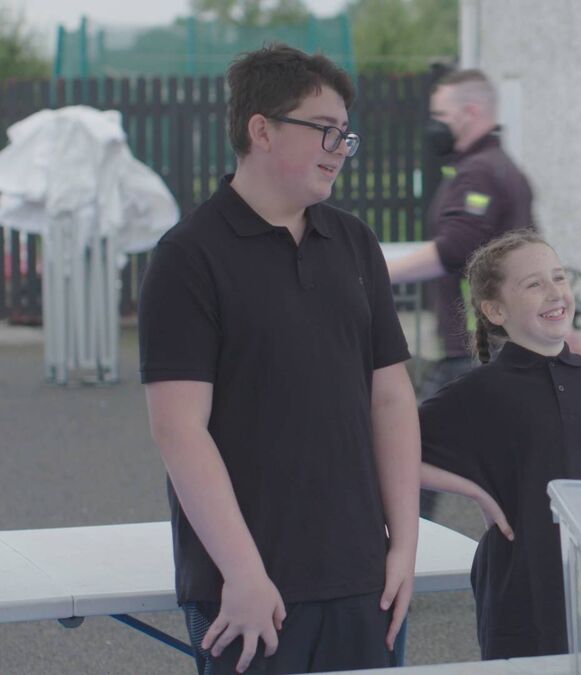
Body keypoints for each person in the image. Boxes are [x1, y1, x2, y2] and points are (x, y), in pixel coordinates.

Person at [138, 44, 420, 674]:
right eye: (324, 129)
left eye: (345, 134)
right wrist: (243, 573)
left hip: (362, 576)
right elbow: (178, 428)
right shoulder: (188, 257)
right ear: (261, 130)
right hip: (247, 587)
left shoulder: (354, 242)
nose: (339, 149)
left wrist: (404, 544)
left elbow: (391, 398)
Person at [417, 229, 581, 659]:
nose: (554, 292)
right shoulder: (479, 391)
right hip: (521, 584)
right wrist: (478, 493)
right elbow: (393, 451)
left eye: (559, 277)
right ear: (495, 310)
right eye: (533, 284)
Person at [387, 68, 535, 520]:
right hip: (486, 345)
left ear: (470, 112)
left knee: (413, 456)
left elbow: (452, 250)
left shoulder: (480, 175)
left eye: (440, 115)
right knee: (499, 464)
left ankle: (402, 554)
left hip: (473, 348)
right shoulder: (493, 167)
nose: (433, 124)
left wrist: (375, 272)